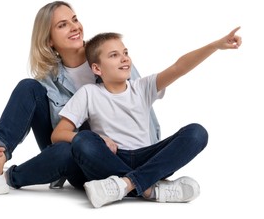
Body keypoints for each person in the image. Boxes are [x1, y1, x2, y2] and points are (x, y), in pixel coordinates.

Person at [0, 1, 161, 197]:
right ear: (49, 40)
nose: (74, 27)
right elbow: (54, 133)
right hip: (72, 149)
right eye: (63, 25)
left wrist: (148, 165)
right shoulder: (49, 81)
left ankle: (4, 177)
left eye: (75, 19)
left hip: (113, 160)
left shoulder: (112, 59)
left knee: (65, 151)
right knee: (28, 87)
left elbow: (144, 113)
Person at [51, 28, 242, 208]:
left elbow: (179, 67)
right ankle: (151, 189)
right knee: (83, 140)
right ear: (97, 68)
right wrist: (99, 139)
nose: (124, 59)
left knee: (197, 133)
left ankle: (125, 185)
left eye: (125, 52)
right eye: (114, 55)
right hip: (112, 159)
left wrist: (214, 46)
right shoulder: (89, 93)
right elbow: (58, 134)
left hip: (149, 159)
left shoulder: (142, 87)